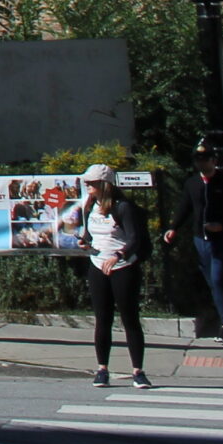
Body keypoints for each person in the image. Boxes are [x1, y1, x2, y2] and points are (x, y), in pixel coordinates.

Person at [163, 141, 223, 342]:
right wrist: (173, 228)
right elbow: (185, 207)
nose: (202, 163)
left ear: (214, 161)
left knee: (218, 279)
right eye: (198, 160)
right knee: (214, 283)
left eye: (206, 159)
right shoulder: (192, 183)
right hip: (201, 240)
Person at [78, 164, 151, 388]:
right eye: (86, 182)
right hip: (98, 265)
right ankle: (102, 369)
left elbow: (134, 239)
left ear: (104, 184)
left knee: (129, 318)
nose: (87, 185)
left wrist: (118, 255)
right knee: (103, 319)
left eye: (91, 182)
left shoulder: (122, 207)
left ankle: (138, 372)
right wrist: (85, 243)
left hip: (123, 267)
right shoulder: (90, 206)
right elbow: (90, 234)